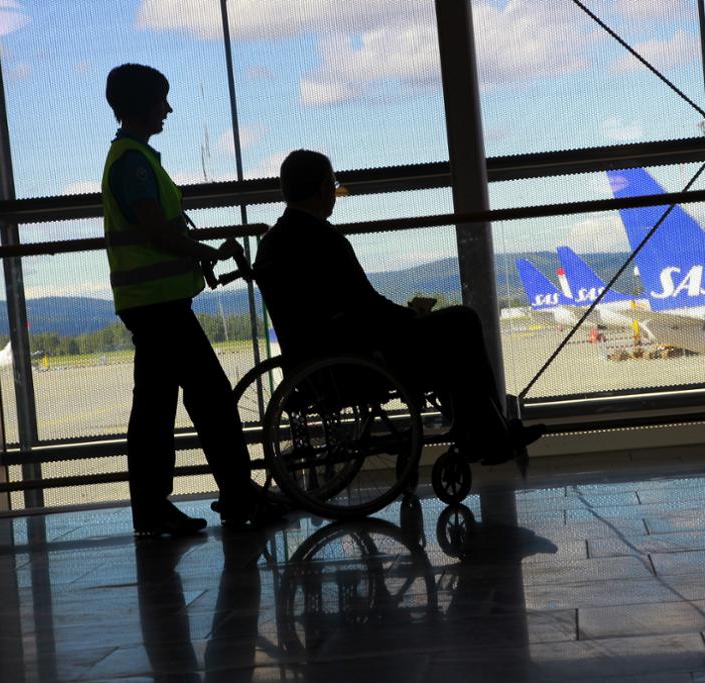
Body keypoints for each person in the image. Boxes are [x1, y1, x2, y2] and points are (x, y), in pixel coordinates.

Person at [253, 150, 543, 465]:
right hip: (359, 358)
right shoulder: (323, 239)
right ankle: (487, 433)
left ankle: (482, 431)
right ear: (323, 187)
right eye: (332, 186)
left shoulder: (272, 242)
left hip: (318, 365)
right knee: (462, 322)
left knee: (449, 335)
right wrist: (411, 315)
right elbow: (364, 306)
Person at [102, 63, 283, 537]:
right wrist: (201, 250)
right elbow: (153, 227)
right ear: (144, 105)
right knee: (210, 397)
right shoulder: (134, 163)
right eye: (163, 100)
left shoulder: (131, 158)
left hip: (150, 302)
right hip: (159, 305)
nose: (169, 109)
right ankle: (238, 493)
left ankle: (153, 505)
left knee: (156, 407)